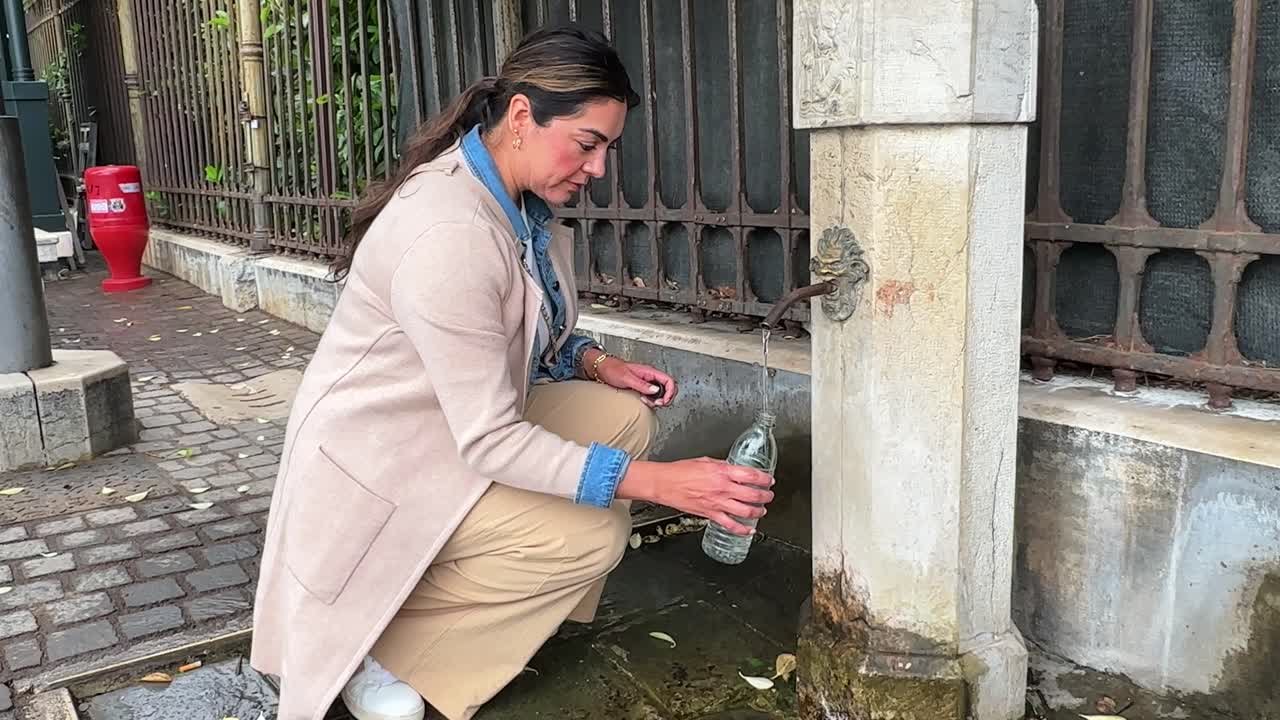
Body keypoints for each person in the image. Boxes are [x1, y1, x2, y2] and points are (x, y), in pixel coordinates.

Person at [250, 26, 775, 720]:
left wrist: (596, 361)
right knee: (594, 534)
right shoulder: (450, 233)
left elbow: (523, 329)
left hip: (445, 433)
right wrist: (667, 488)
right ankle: (376, 646)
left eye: (606, 149)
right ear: (523, 115)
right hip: (383, 469)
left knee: (622, 419)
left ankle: (485, 594)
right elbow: (492, 440)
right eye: (588, 143)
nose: (597, 169)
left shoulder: (516, 205)